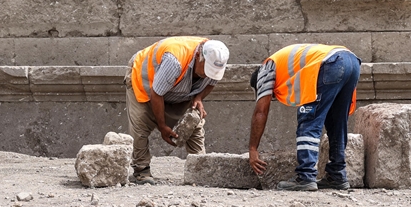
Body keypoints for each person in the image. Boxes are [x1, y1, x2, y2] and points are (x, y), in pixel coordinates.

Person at [248, 44, 361, 191]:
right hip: (351, 61)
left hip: (330, 64)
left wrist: (252, 148)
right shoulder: (289, 64)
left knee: (309, 118)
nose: (274, 96)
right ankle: (337, 175)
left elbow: (261, 111)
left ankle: (305, 176)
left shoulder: (266, 68)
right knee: (336, 122)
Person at [125, 36, 229, 185]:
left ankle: (199, 166)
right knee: (141, 123)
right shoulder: (174, 61)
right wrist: (162, 126)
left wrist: (198, 98)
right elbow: (157, 93)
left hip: (179, 87)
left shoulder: (217, 59)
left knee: (194, 120)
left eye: (212, 72)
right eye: (207, 70)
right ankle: (141, 169)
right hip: (145, 80)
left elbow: (211, 82)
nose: (208, 74)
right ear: (199, 56)